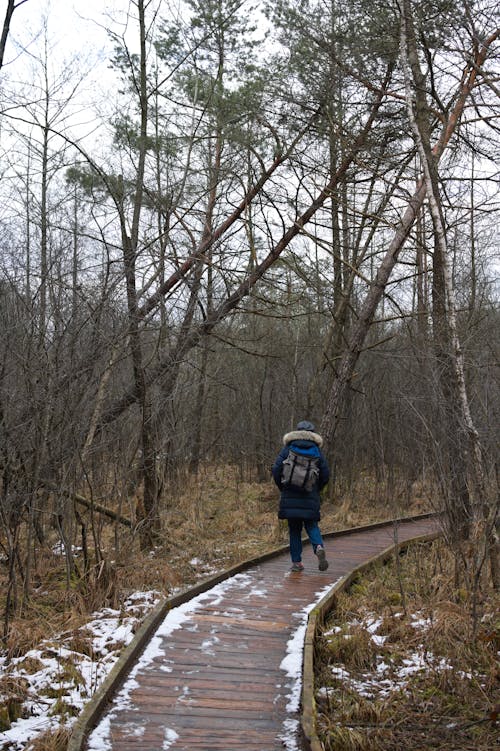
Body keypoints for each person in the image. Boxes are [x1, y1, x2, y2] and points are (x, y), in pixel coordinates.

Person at [272, 420, 330, 572]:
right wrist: (318, 489)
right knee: (311, 525)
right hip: (310, 495)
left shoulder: (288, 448)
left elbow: (276, 469)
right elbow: (325, 474)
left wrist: (283, 487)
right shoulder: (317, 451)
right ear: (312, 433)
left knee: (294, 530)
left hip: (290, 494)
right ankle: (318, 547)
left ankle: (297, 563)